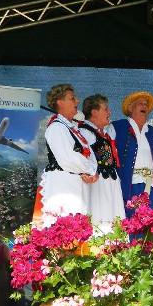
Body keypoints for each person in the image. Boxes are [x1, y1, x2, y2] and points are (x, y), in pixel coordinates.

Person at [38, 84, 98, 223]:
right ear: (60, 102)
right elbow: (68, 158)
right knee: (65, 226)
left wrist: (93, 171)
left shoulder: (72, 129)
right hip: (64, 188)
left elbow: (89, 153)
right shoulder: (56, 127)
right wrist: (91, 170)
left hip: (77, 186)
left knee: (79, 226)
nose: (77, 101)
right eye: (72, 98)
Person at [80, 94, 125, 229]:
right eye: (105, 109)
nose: (109, 112)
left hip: (111, 184)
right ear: (94, 112)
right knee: (99, 220)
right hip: (97, 186)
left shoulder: (106, 133)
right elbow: (82, 160)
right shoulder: (84, 133)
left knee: (114, 221)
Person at [110, 91, 153, 215]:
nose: (144, 106)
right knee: (130, 220)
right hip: (129, 185)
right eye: (140, 103)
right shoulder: (117, 127)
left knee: (149, 221)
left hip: (149, 186)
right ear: (130, 107)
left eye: (146, 104)